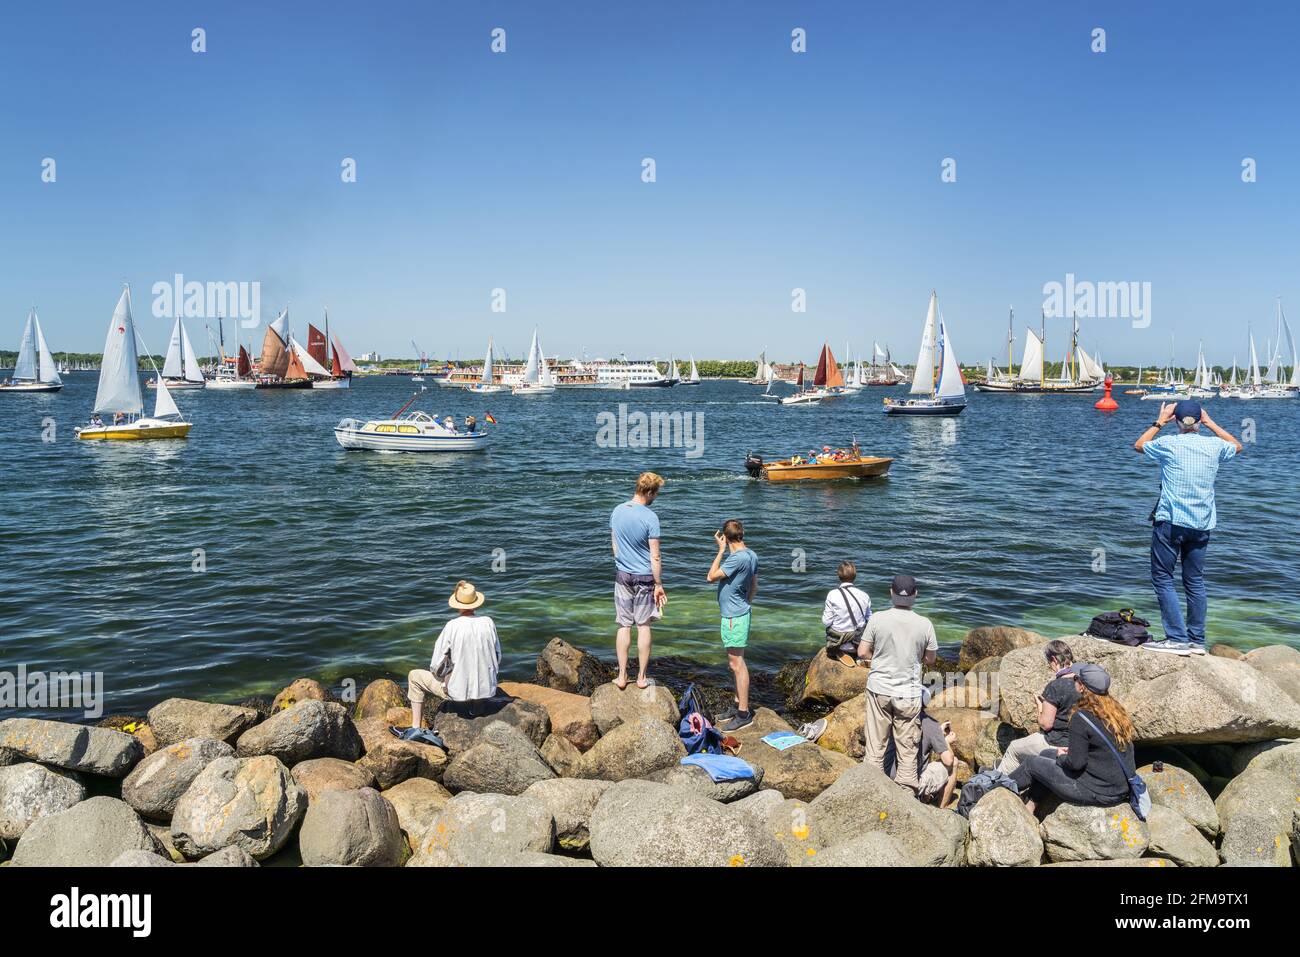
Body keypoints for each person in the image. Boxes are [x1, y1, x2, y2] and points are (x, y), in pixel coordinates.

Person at [1134, 399, 1242, 655]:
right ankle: (1196, 641)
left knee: (1162, 578)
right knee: (1195, 581)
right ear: (1199, 421)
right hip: (1202, 524)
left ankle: (1176, 639)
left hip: (1171, 523)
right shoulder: (1214, 445)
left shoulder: (1169, 444)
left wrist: (1160, 421)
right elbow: (1237, 446)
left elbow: (1139, 445)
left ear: (1177, 421)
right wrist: (1211, 422)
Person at [1009, 664, 1137, 814]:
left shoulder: (1082, 717)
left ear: (1082, 686)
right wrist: (1067, 754)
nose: (1073, 681)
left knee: (1032, 763)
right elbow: (1101, 750)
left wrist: (1062, 757)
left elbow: (1075, 764)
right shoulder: (1116, 712)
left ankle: (994, 790)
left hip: (1098, 791)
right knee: (1045, 754)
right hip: (1118, 787)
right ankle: (1031, 806)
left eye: (1075, 678)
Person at [857, 574, 938, 791]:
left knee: (875, 746)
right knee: (908, 748)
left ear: (891, 593)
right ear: (915, 595)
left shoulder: (877, 619)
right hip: (908, 693)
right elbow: (930, 659)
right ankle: (906, 791)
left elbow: (862, 651)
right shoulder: (925, 624)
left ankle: (870, 787)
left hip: (879, 689)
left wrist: (881, 658)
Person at [405, 580, 501, 729]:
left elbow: (436, 665)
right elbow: (498, 657)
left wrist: (446, 677)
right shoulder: (489, 622)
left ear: (458, 605)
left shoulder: (452, 626)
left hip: (459, 695)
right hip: (487, 691)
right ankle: (477, 704)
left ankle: (415, 728)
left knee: (414, 677)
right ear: (475, 603)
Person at [610, 471, 667, 690]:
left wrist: (622, 564)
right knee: (643, 625)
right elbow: (655, 556)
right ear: (650, 491)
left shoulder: (617, 511)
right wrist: (659, 584)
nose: (656, 497)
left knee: (624, 625)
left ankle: (622, 676)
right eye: (656, 493)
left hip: (622, 574)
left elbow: (615, 546)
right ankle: (641, 678)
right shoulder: (650, 517)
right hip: (645, 577)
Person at [997, 640, 1080, 774]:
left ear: (1054, 660)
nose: (1050, 666)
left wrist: (1040, 706)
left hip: (1056, 742)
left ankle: (997, 782)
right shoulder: (1082, 682)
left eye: (1049, 663)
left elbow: (1046, 724)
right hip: (1078, 742)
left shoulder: (1055, 686)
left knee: (1014, 747)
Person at [706, 519, 758, 732]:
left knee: (737, 664)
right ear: (742, 535)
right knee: (734, 663)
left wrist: (720, 550)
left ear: (726, 538)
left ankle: (744, 713)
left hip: (733, 618)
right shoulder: (752, 555)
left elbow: (710, 577)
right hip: (739, 613)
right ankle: (737, 705)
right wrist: (745, 602)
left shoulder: (735, 559)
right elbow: (754, 585)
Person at [822, 560, 871, 666]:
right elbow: (869, 619)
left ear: (838, 576)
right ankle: (861, 656)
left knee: (829, 627)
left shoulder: (832, 594)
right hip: (859, 644)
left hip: (839, 643)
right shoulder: (864, 595)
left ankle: (839, 651)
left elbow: (826, 622)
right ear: (855, 576)